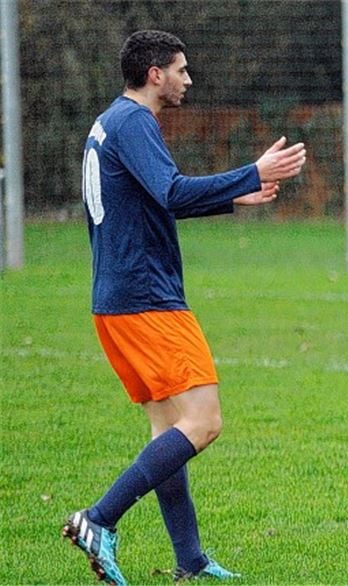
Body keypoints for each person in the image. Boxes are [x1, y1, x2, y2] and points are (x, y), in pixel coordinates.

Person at [63, 30, 306, 585]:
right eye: (181, 69)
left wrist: (230, 195)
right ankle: (98, 520)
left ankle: (190, 560)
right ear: (155, 74)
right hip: (149, 302)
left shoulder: (111, 123)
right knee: (203, 422)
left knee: (166, 429)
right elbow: (171, 192)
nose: (187, 79)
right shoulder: (134, 123)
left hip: (117, 301)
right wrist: (253, 172)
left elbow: (155, 199)